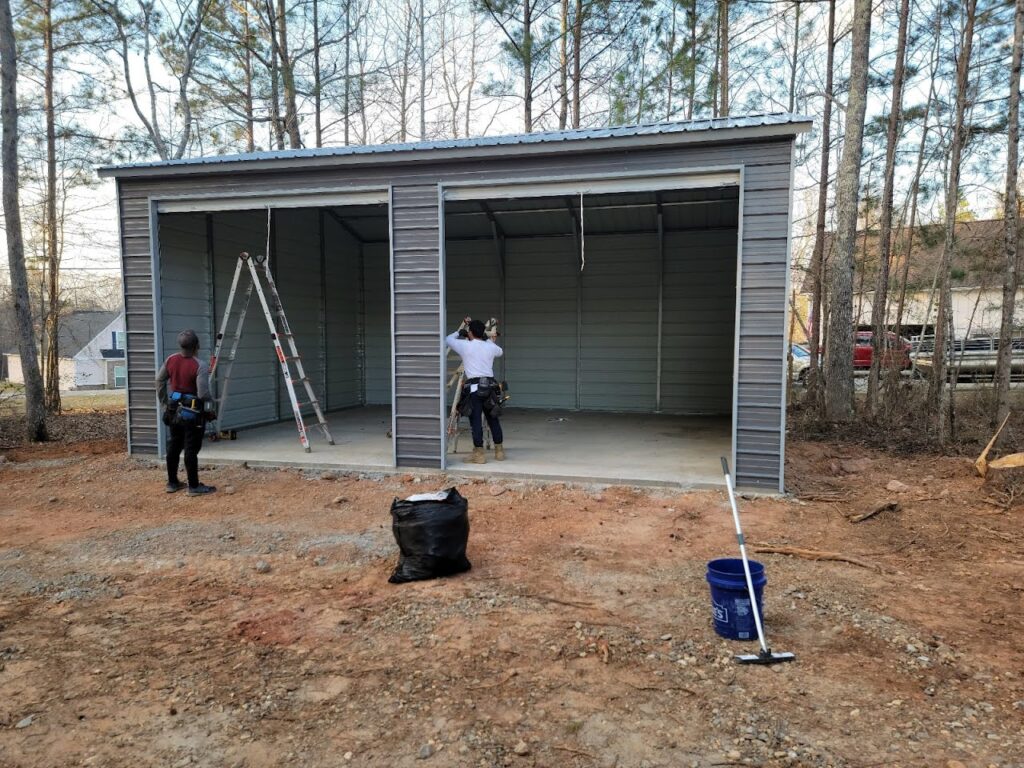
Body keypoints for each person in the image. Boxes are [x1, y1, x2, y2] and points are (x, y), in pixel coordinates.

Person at [156, 329, 216, 496]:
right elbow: (203, 393)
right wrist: (210, 409)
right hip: (192, 413)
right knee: (191, 448)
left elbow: (159, 380)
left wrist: (164, 404)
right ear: (197, 346)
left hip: (174, 410)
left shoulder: (170, 360)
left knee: (174, 445)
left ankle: (173, 482)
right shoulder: (200, 365)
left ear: (180, 345)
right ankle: (194, 487)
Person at [446, 317, 505, 464]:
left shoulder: (465, 345)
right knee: (493, 419)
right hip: (490, 388)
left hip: (474, 389)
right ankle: (499, 452)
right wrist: (487, 339)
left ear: (470, 333)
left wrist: (460, 331)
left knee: (476, 422)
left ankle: (479, 455)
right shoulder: (490, 346)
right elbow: (500, 351)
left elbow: (448, 339)